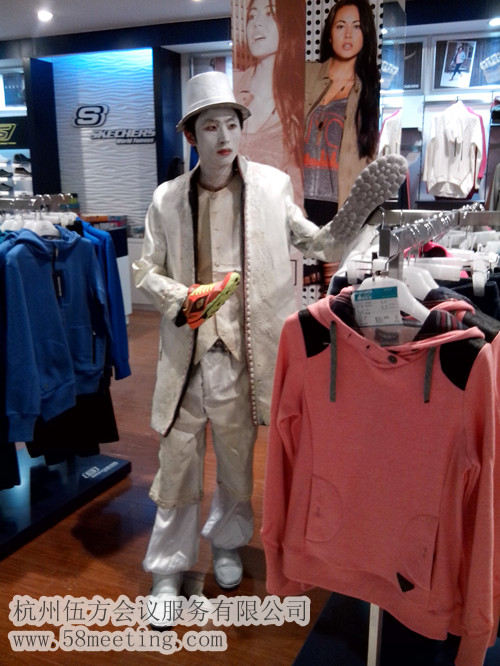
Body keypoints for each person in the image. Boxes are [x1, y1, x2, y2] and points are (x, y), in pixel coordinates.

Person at [133, 71, 406, 609]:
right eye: (210, 126)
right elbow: (146, 268)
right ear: (191, 136)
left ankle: (228, 543)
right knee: (177, 462)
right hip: (186, 355)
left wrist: (353, 218)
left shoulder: (272, 187)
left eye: (231, 124)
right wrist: (180, 298)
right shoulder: (166, 199)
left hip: (243, 355)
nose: (223, 136)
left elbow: (320, 244)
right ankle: (168, 567)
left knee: (236, 460)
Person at [303, 0, 380, 293]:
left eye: (356, 26)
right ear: (329, 34)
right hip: (299, 198)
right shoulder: (307, 74)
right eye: (340, 26)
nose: (348, 34)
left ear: (365, 34)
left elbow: (368, 158)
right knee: (291, 281)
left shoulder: (369, 88)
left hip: (337, 205)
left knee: (330, 293)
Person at [232, 0, 305, 203]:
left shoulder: (299, 102)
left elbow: (297, 191)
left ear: (287, 23)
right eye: (252, 16)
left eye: (270, 14)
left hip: (276, 217)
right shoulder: (232, 90)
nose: (257, 23)